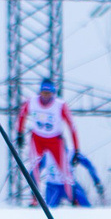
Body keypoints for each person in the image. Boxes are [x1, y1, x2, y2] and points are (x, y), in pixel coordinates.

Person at [16, 77, 81, 205]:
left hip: (55, 140)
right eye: (43, 93)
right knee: (34, 166)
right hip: (37, 139)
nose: (45, 96)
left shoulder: (60, 106)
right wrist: (20, 133)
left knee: (65, 170)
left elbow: (72, 126)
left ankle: (73, 199)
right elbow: (22, 115)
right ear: (40, 92)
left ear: (53, 94)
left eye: (48, 94)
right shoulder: (32, 102)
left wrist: (76, 149)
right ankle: (34, 198)